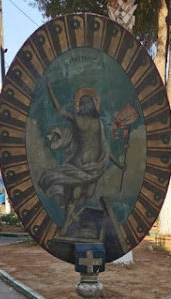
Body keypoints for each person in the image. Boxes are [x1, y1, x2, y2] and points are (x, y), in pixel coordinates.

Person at [38, 80, 124, 235]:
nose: (85, 105)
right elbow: (60, 110)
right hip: (79, 164)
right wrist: (50, 90)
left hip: (95, 168)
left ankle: (72, 214)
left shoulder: (98, 124)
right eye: (82, 103)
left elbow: (105, 149)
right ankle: (65, 226)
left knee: (88, 193)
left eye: (88, 103)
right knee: (75, 194)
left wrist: (119, 164)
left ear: (94, 105)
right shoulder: (77, 120)